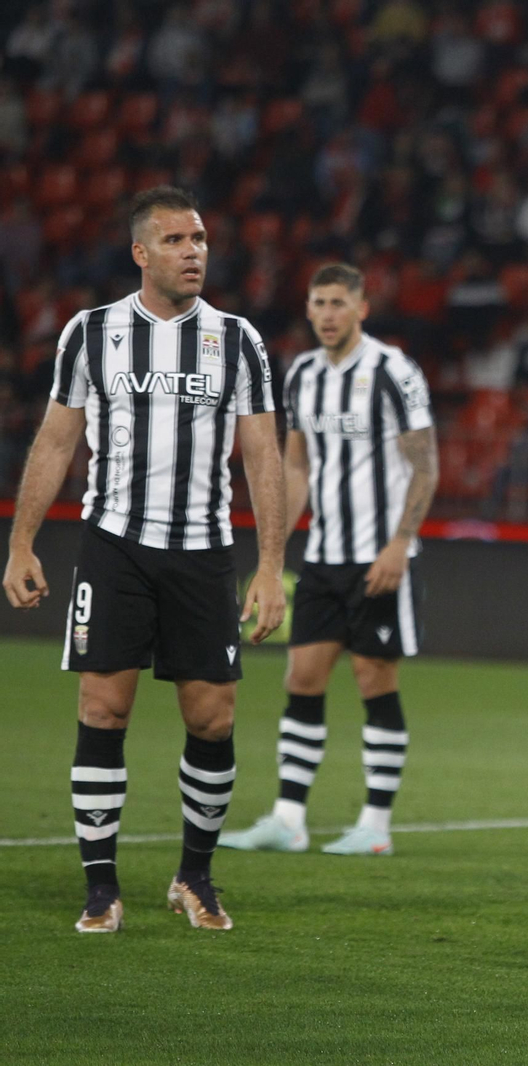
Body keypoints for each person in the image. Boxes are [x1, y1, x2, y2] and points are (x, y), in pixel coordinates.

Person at [2, 185, 287, 933]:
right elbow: (56, 441)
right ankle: (101, 888)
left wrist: (269, 566)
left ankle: (195, 877)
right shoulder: (91, 332)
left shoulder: (239, 340)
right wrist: (21, 542)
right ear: (140, 252)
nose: (194, 253)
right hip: (115, 546)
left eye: (200, 239)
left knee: (213, 720)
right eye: (175, 241)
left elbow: (263, 456)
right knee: (103, 708)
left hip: (203, 551)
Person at [220, 263, 437, 858]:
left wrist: (399, 544)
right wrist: (273, 556)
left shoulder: (393, 371)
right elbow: (297, 467)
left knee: (374, 680)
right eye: (319, 303)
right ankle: (288, 820)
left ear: (362, 308)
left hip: (379, 558)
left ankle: (376, 825)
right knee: (302, 678)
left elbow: (425, 464)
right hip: (323, 558)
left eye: (339, 302)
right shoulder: (303, 374)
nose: (328, 314)